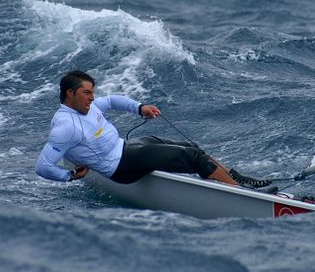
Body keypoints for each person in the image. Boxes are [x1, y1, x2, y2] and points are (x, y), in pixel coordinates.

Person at [35, 70, 245, 186]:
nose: (93, 97)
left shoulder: (88, 106)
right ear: (70, 93)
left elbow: (111, 100)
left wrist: (140, 108)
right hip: (121, 167)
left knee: (192, 147)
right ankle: (238, 193)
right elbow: (43, 166)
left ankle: (236, 179)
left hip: (126, 148)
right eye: (87, 93)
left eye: (92, 92)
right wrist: (70, 176)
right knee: (192, 157)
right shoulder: (65, 127)